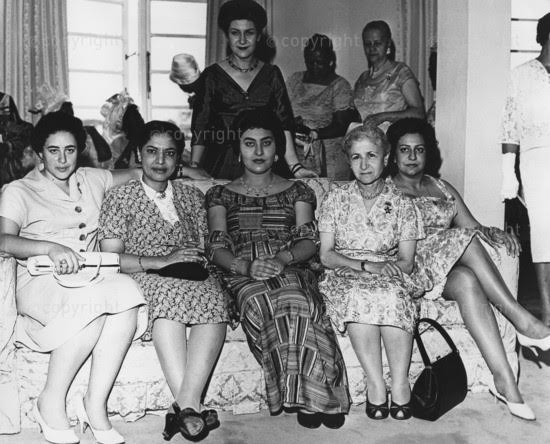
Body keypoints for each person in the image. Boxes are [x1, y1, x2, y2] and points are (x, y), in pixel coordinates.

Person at [387, 117, 550, 421]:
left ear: (428, 154)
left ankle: (505, 383)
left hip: (445, 272)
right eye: (404, 150)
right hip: (411, 269)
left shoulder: (441, 187)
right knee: (464, 240)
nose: (411, 157)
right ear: (393, 155)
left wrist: (497, 233)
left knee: (466, 279)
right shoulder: (385, 191)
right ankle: (522, 320)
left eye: (418, 150)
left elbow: (472, 227)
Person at [0, 111, 147, 444]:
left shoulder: (92, 179)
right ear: (39, 153)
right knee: (93, 307)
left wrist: (184, 170)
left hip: (88, 275)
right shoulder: (19, 191)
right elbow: (3, 240)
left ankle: (95, 406)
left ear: (79, 150)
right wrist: (48, 248)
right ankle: (50, 401)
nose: (62, 159)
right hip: (40, 282)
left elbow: (142, 173)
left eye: (69, 150)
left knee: (126, 293)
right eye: (53, 151)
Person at [206, 109, 350, 428]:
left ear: (277, 150)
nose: (258, 152)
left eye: (266, 143)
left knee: (299, 299)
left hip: (289, 263)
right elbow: (216, 247)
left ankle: (313, 394)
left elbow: (308, 241)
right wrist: (246, 266)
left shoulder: (298, 190)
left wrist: (282, 259)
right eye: (249, 143)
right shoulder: (220, 194)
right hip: (243, 270)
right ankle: (312, 395)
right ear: (238, 149)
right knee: (263, 301)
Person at [99, 121, 230, 441]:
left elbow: (202, 245)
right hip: (145, 271)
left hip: (191, 272)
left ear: (179, 158)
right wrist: (160, 261)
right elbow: (111, 257)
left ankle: (185, 410)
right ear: (138, 155)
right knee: (169, 300)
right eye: (152, 152)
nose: (160, 161)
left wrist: (193, 258)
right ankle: (192, 408)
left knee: (213, 299)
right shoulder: (120, 197)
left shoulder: (189, 195)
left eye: (169, 154)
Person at [318, 124, 429, 421]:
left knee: (391, 293)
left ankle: (401, 382)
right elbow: (326, 255)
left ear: (387, 157)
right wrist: (365, 267)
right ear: (349, 161)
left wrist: (385, 270)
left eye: (371, 155)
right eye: (356, 157)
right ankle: (375, 384)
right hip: (345, 271)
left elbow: (406, 260)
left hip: (389, 269)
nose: (364, 165)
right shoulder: (334, 198)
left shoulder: (404, 204)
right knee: (359, 292)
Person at [190, 0, 316, 180]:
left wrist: (295, 166)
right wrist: (194, 167)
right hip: (222, 165)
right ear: (227, 36)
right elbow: (200, 126)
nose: (242, 40)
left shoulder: (272, 74)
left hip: (264, 161)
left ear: (258, 36)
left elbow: (284, 123)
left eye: (249, 33)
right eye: (235, 33)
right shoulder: (211, 75)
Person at [501, 12, 550, 328]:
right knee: (546, 236)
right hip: (537, 161)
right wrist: (509, 172)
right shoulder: (521, 75)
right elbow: (510, 127)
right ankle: (548, 314)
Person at [286, 34, 359, 180]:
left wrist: (315, 133)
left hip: (328, 158)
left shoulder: (340, 86)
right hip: (295, 153)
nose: (314, 67)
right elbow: (283, 112)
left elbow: (341, 124)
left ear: (330, 61)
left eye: (319, 62)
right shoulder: (294, 80)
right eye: (310, 62)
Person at [353, 20, 425, 132]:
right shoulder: (362, 79)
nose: (372, 48)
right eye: (368, 44)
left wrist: (383, 117)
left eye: (377, 43)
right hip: (364, 143)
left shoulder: (399, 72)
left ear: (388, 44)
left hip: (390, 140)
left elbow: (418, 113)